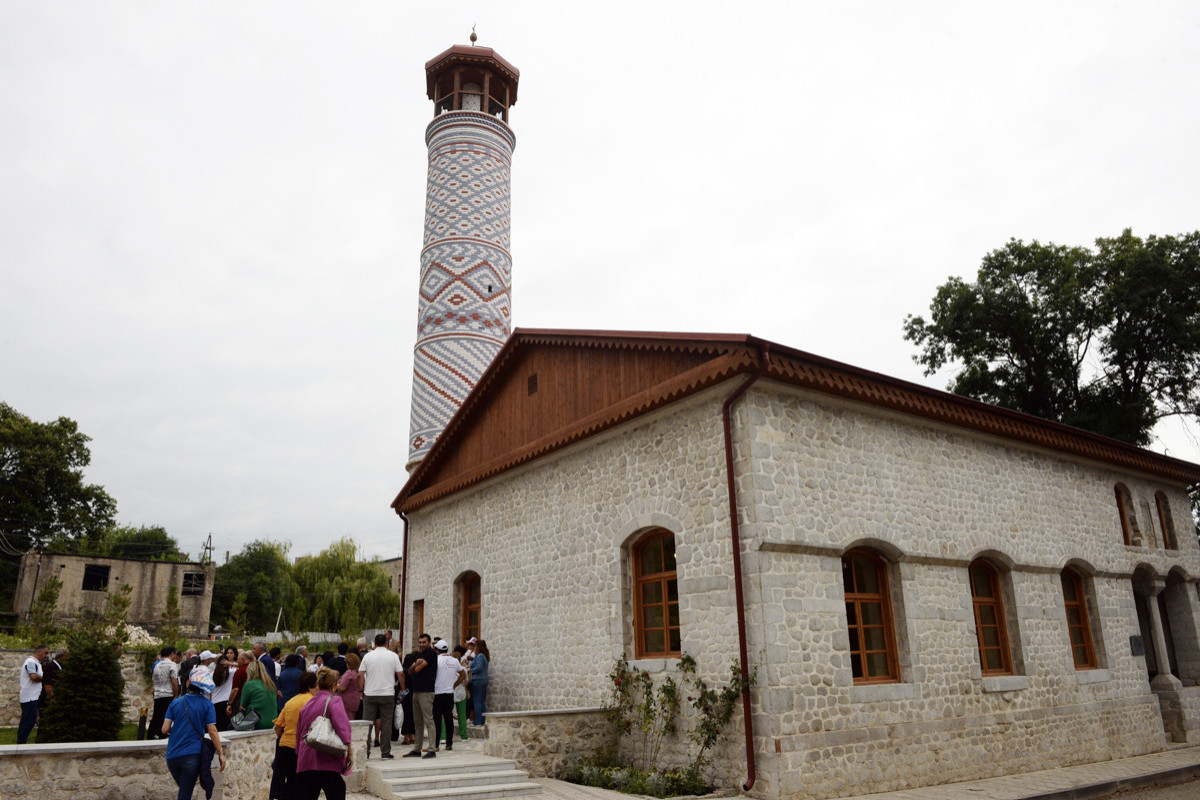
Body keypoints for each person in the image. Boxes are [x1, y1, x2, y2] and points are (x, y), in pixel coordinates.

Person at [162, 667, 226, 800]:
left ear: (188, 683)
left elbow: (164, 729)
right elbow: (212, 730)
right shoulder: (207, 705)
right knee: (185, 793)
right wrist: (220, 753)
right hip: (192, 754)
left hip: (172, 754)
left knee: (184, 790)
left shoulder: (175, 703)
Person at [295, 668, 353, 800]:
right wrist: (349, 751)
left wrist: (299, 754)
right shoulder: (334, 700)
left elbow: (300, 732)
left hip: (307, 759)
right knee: (336, 791)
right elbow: (342, 727)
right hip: (328, 758)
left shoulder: (308, 703)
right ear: (333, 685)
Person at [272, 670, 317, 800]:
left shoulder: (291, 701)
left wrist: (283, 737)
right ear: (310, 686)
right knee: (303, 784)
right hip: (302, 747)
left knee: (290, 781)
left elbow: (278, 727)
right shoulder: (312, 701)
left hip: (285, 745)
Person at [359, 633, 403, 758]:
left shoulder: (368, 656)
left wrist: (361, 689)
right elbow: (400, 674)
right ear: (386, 643)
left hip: (370, 693)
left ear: (374, 643)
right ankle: (385, 752)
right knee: (387, 722)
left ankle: (365, 752)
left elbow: (360, 674)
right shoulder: (393, 656)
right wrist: (403, 688)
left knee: (367, 723)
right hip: (388, 693)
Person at [404, 633, 438, 758]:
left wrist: (416, 666)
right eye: (420, 642)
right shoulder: (418, 654)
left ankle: (432, 749)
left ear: (429, 642)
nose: (421, 644)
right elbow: (411, 671)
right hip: (416, 690)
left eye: (424, 642)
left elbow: (417, 670)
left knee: (429, 720)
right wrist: (415, 664)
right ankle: (417, 748)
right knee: (417, 722)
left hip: (427, 691)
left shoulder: (431, 654)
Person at [433, 640, 466, 751]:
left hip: (438, 693)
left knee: (437, 719)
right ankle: (449, 744)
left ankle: (436, 745)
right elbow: (463, 673)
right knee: (449, 719)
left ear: (437, 649)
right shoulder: (454, 661)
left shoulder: (436, 660)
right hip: (449, 693)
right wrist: (455, 685)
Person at [17, 644, 48, 744]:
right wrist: (45, 679)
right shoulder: (31, 662)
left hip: (31, 697)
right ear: (39, 652)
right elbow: (33, 677)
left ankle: (21, 743)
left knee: (28, 721)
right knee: (28, 721)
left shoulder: (35, 663)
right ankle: (21, 743)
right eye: (46, 653)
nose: (47, 655)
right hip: (30, 698)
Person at [150, 646, 182, 740]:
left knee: (156, 715)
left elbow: (153, 681)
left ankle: (152, 734)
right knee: (165, 716)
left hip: (158, 694)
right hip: (168, 694)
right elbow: (174, 682)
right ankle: (161, 734)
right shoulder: (172, 665)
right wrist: (175, 695)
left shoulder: (157, 665)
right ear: (172, 654)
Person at [238, 659, 279, 730]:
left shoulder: (249, 685)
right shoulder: (271, 684)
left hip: (257, 722)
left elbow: (242, 706)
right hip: (273, 721)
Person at [211, 646, 238, 731]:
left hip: (215, 701)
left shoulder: (212, 674)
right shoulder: (231, 672)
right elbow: (244, 666)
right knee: (225, 726)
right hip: (226, 701)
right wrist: (231, 664)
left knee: (217, 725)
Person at [334, 652, 362, 721]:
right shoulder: (357, 673)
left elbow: (342, 687)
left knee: (347, 721)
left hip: (346, 702)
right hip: (355, 700)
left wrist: (334, 685)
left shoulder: (349, 673)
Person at [451, 646, 470, 741]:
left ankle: (443, 736)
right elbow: (466, 682)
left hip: (450, 692)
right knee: (462, 715)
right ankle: (464, 736)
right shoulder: (464, 670)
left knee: (445, 715)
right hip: (461, 693)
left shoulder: (449, 669)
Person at [399, 649, 418, 745]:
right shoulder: (416, 672)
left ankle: (406, 736)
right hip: (414, 694)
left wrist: (399, 698)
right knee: (412, 715)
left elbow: (402, 686)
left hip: (405, 694)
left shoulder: (403, 672)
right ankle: (413, 735)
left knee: (406, 716)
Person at [470, 639, 490, 726]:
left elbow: (479, 668)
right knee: (482, 701)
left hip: (478, 680)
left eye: (475, 646)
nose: (474, 648)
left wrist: (469, 670)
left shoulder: (480, 656)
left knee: (477, 701)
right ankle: (482, 720)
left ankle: (478, 721)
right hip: (484, 679)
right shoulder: (484, 656)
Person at [228, 650, 252, 715]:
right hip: (253, 700)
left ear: (242, 659)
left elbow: (235, 689)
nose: (237, 661)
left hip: (240, 700)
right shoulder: (254, 670)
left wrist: (229, 703)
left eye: (238, 659)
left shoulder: (240, 671)